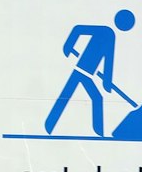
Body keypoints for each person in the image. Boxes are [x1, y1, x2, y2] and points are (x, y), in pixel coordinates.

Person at [44, 9, 135, 137]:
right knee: (85, 96)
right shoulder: (106, 32)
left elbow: (108, 59)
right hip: (81, 70)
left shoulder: (110, 35)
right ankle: (50, 124)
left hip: (87, 74)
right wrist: (68, 45)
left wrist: (106, 82)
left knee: (74, 95)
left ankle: (50, 124)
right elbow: (78, 29)